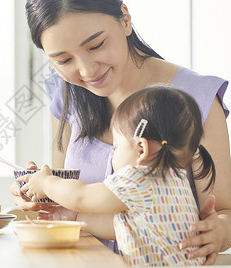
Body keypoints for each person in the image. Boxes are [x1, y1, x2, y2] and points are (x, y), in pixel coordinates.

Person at [11, 0, 231, 264]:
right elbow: (67, 193)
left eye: (96, 45)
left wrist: (218, 231)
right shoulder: (66, 93)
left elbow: (227, 214)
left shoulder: (194, 97)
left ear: (125, 19)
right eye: (64, 60)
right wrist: (38, 189)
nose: (87, 70)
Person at [18, 86, 215, 266]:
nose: (113, 154)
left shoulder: (139, 178)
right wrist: (75, 217)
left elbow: (81, 196)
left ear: (141, 149)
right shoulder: (177, 180)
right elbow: (126, 228)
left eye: (117, 147)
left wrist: (46, 182)